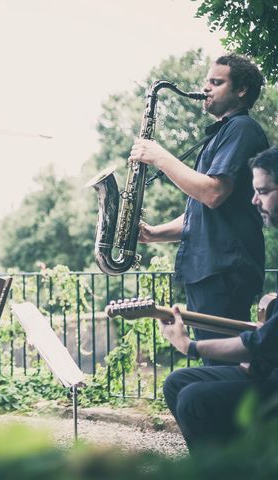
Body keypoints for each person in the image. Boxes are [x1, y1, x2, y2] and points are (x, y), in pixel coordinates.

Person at [131, 53, 269, 365]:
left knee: (221, 366)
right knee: (214, 364)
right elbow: (200, 212)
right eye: (206, 81)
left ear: (242, 90)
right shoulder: (222, 134)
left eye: (216, 82)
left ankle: (224, 414)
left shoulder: (242, 129)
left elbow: (213, 193)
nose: (206, 88)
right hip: (210, 269)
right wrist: (153, 234)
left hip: (224, 270)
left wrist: (159, 157)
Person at [161, 146, 278, 452]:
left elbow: (260, 345)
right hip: (269, 366)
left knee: (193, 398)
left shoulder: (241, 130)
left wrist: (189, 346)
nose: (254, 201)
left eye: (263, 191)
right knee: (177, 383)